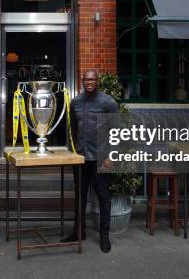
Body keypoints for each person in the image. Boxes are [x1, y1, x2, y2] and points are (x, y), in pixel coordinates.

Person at [61, 69, 119, 253]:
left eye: (93, 79)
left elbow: (116, 132)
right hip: (81, 158)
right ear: (82, 81)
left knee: (103, 197)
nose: (89, 82)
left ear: (98, 81)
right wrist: (74, 152)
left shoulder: (108, 103)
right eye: (87, 79)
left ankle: (104, 236)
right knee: (80, 196)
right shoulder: (75, 102)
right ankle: (79, 232)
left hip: (101, 158)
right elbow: (73, 130)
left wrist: (111, 155)